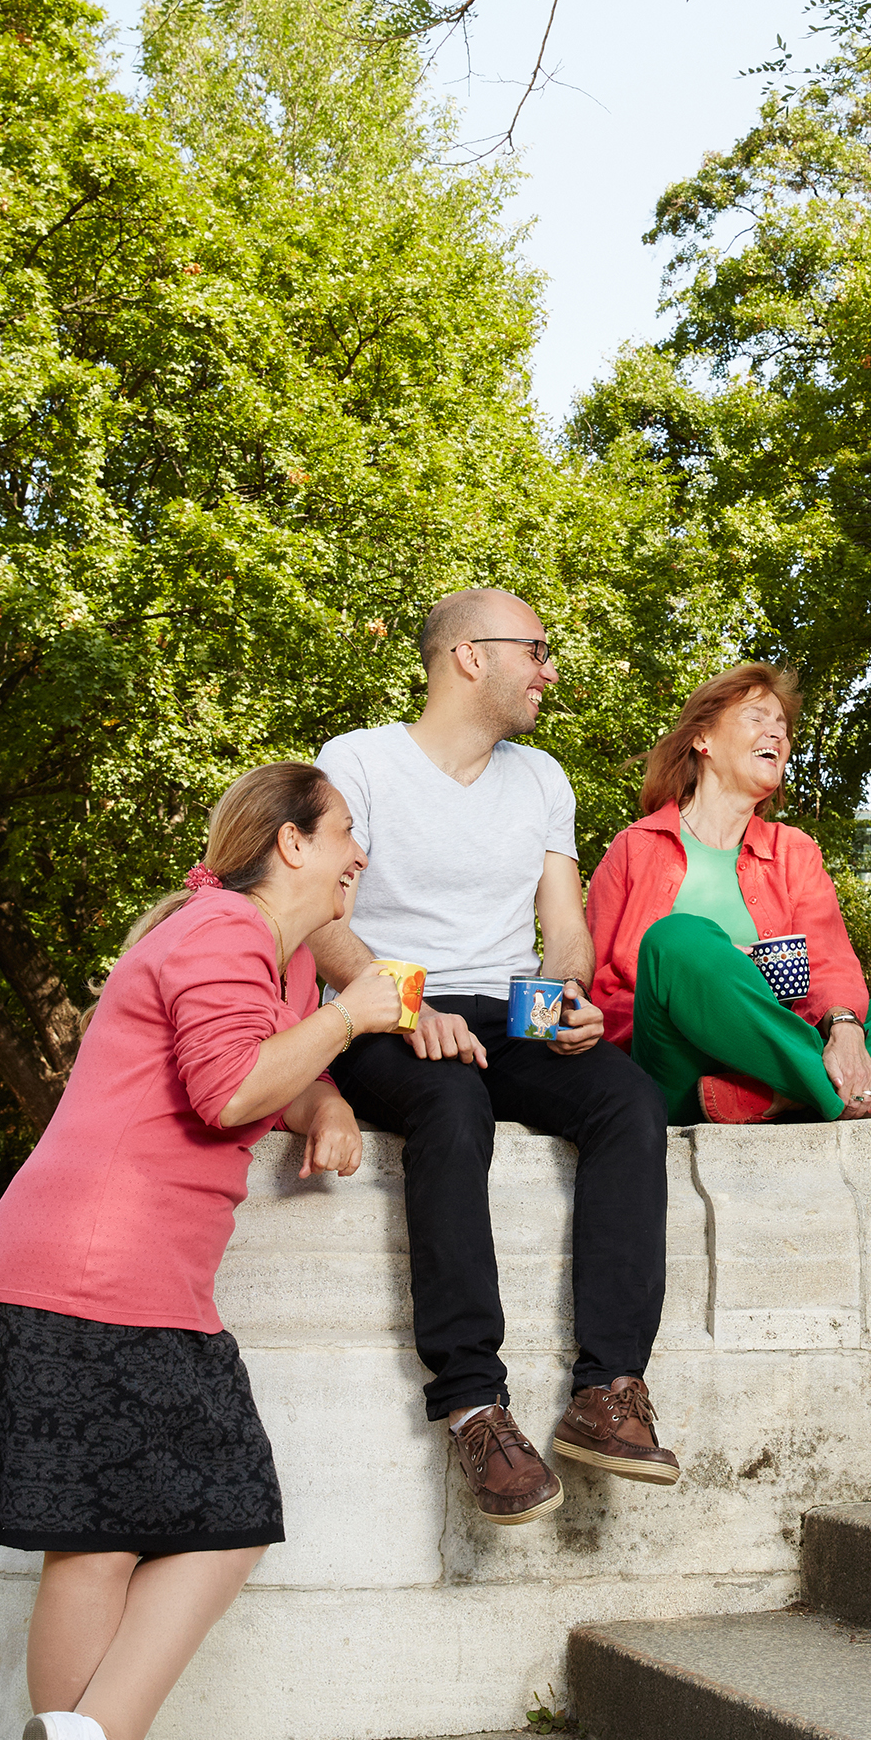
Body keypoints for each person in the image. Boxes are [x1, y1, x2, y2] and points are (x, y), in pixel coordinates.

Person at [0, 763, 405, 1740]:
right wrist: (349, 1015)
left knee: (95, 1545)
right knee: (225, 1523)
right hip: (106, 1268)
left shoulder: (250, 947)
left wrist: (322, 1098)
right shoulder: (224, 934)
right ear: (288, 844)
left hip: (80, 1262)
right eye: (344, 838)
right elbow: (226, 1086)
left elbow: (245, 1069)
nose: (356, 859)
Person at [313, 588, 677, 1529]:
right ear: (471, 656)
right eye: (539, 650)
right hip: (386, 1012)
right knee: (451, 1105)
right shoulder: (358, 762)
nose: (551, 670)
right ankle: (474, 1407)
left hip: (507, 1010)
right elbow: (319, 917)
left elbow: (564, 926)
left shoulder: (541, 778)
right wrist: (402, 1006)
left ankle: (610, 1391)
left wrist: (566, 998)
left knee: (629, 1102)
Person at [587, 665, 871, 1125]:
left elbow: (830, 962)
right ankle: (853, 1096)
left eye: (782, 727)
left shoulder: (793, 850)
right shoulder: (634, 848)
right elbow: (602, 995)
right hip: (681, 1063)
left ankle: (775, 1096)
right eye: (758, 718)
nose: (776, 734)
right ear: (704, 740)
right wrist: (722, 980)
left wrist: (844, 1028)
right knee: (678, 939)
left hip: (784, 1046)